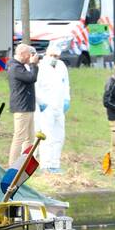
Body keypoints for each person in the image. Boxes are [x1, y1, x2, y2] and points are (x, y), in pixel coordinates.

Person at [34, 42, 70, 174]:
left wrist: (67, 99)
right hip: (46, 107)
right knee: (47, 136)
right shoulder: (41, 67)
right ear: (47, 54)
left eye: (57, 56)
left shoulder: (61, 66)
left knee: (59, 135)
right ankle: (46, 164)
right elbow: (36, 87)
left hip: (59, 107)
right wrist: (41, 102)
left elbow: (66, 84)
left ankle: (55, 163)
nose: (54, 58)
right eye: (52, 55)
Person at [7, 43, 40, 164]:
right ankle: (12, 164)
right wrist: (33, 64)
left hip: (27, 106)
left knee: (30, 138)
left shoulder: (20, 66)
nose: (30, 57)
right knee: (19, 137)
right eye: (28, 55)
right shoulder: (15, 67)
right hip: (21, 107)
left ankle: (24, 163)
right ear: (21, 54)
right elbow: (31, 78)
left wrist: (32, 64)